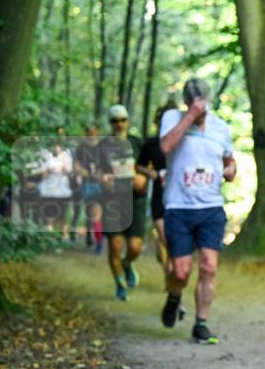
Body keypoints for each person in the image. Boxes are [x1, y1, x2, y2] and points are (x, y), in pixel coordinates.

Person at [159, 78, 236, 345]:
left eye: (202, 106)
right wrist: (189, 116)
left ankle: (201, 324)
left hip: (211, 207)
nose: (199, 110)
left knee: (209, 266)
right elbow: (166, 147)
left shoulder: (221, 127)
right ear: (186, 102)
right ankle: (174, 296)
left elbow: (230, 159)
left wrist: (231, 170)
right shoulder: (172, 118)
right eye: (193, 105)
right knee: (180, 272)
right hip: (178, 206)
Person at [97, 105, 147, 300]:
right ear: (110, 124)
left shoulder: (137, 143)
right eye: (115, 121)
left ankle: (127, 264)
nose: (119, 124)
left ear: (127, 121)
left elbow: (148, 165)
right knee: (115, 245)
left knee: (135, 247)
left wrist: (143, 178)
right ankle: (119, 282)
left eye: (122, 120)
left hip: (135, 200)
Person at [137, 100, 179, 281]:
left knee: (175, 248)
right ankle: (173, 283)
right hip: (159, 201)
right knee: (169, 244)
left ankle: (173, 290)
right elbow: (139, 166)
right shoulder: (151, 144)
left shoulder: (184, 143)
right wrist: (152, 173)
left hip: (180, 202)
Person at [74, 123, 104, 253]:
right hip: (87, 184)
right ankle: (89, 236)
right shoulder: (81, 148)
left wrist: (101, 175)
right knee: (89, 212)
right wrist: (84, 172)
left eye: (93, 132)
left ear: (97, 132)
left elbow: (107, 165)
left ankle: (99, 242)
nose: (91, 134)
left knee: (96, 213)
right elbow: (76, 166)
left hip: (100, 185)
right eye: (89, 132)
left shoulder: (102, 148)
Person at [36, 140, 73, 237]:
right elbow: (41, 172)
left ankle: (63, 236)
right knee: (48, 214)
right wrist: (48, 171)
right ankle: (49, 237)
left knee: (62, 214)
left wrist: (63, 168)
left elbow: (69, 170)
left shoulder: (66, 154)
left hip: (62, 191)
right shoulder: (44, 153)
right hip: (47, 190)